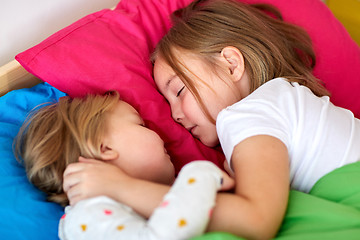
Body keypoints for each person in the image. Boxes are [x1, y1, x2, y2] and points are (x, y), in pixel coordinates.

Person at [150, 0, 360, 238]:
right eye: (167, 102)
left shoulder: (247, 113)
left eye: (179, 91)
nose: (174, 114)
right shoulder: (285, 96)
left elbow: (255, 220)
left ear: (231, 64)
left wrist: (120, 187)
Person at [15, 91, 234, 240]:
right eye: (141, 125)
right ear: (105, 148)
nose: (159, 134)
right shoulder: (88, 215)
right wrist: (199, 175)